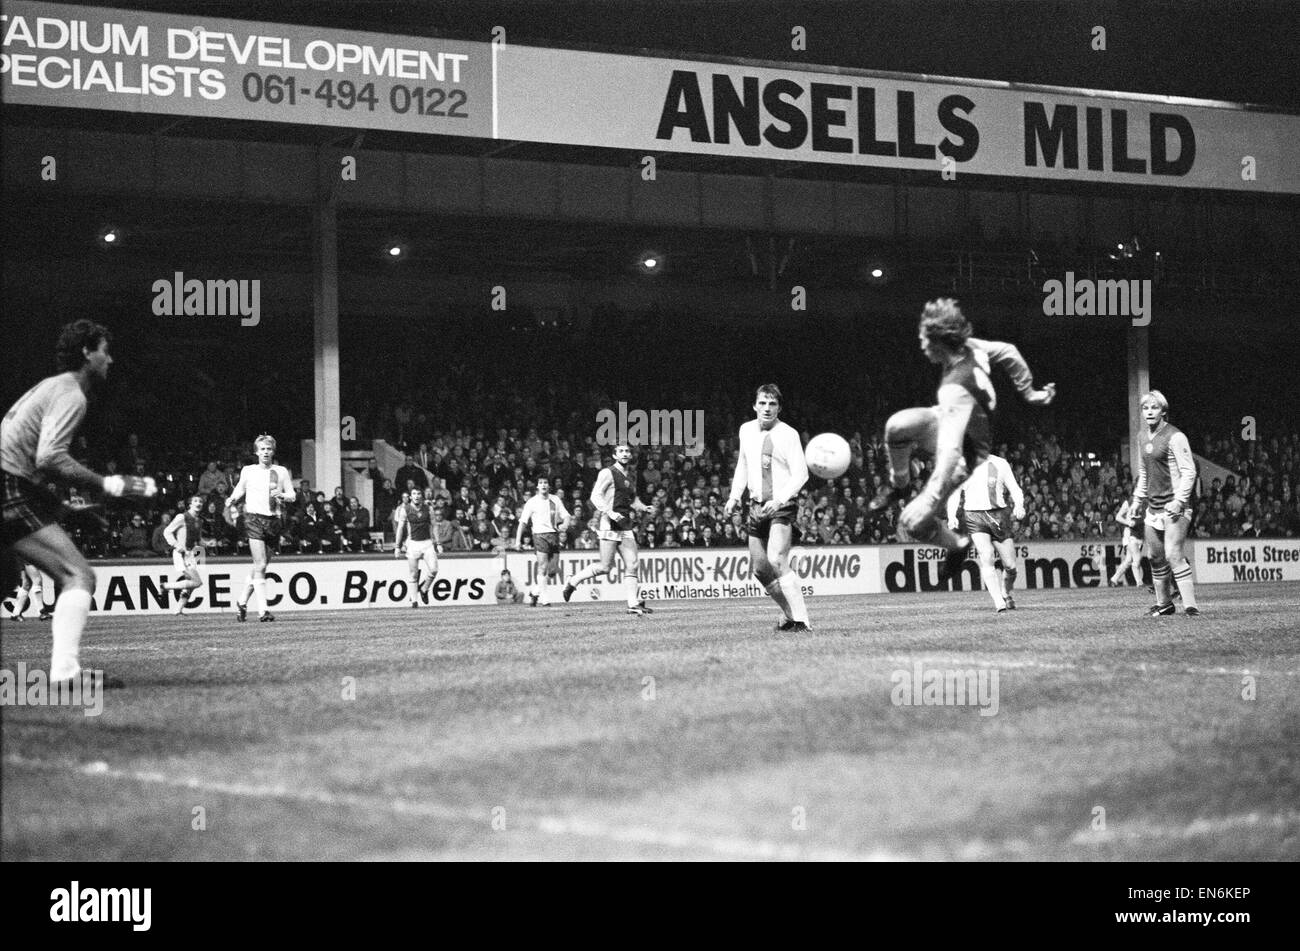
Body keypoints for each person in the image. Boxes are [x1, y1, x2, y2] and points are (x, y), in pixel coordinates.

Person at [1, 320, 156, 686]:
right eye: (105, 350)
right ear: (87, 352)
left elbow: (25, 463)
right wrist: (109, 484)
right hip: (7, 486)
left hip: (11, 485)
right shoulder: (72, 393)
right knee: (79, 575)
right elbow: (49, 458)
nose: (110, 360)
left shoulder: (49, 387)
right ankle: (66, 673)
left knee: (5, 580)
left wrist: (64, 511)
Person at [869, 299, 1055, 579]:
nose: (921, 345)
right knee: (897, 426)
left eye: (923, 339)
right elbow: (1008, 351)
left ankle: (956, 545)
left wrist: (929, 496)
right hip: (955, 420)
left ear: (939, 342)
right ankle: (899, 485)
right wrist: (1029, 392)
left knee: (913, 522)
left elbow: (950, 451)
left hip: (968, 450)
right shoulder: (971, 348)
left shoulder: (954, 388)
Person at [724, 384, 812, 632]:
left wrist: (781, 498)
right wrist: (733, 497)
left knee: (777, 559)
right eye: (762, 403)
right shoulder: (746, 430)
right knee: (761, 570)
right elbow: (743, 464)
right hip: (755, 505)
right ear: (754, 405)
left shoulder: (788, 434)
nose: (767, 408)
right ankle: (789, 615)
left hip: (781, 506)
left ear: (779, 408)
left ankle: (803, 621)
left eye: (772, 404)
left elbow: (801, 474)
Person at [563, 443, 657, 615]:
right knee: (605, 567)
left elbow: (633, 499)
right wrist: (610, 513)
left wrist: (644, 508)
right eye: (621, 451)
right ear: (614, 455)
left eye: (627, 451)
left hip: (625, 524)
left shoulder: (631, 475)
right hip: (609, 524)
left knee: (633, 564)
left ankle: (633, 604)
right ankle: (573, 581)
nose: (625, 453)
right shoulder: (607, 472)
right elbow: (595, 496)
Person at [1130, 391, 1200, 616]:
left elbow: (1189, 472)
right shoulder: (1142, 437)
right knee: (1154, 557)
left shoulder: (1175, 436)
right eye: (1145, 408)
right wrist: (1136, 500)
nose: (1149, 411)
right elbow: (1143, 471)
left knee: (1173, 554)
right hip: (1153, 507)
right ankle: (1165, 604)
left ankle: (1191, 606)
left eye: (1154, 407)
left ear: (1163, 411)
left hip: (1174, 505)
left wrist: (1180, 500)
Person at [224, 434, 295, 622]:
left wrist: (283, 495)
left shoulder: (281, 471)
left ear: (273, 451)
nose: (266, 452)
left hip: (274, 520)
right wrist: (232, 498)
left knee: (259, 566)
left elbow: (292, 495)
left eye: (269, 449)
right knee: (261, 564)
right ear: (256, 452)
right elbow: (240, 488)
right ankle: (263, 611)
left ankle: (241, 601)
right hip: (253, 519)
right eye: (262, 449)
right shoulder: (249, 470)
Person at [947, 453, 1025, 612]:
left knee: (1011, 567)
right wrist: (951, 516)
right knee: (986, 554)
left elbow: (1015, 488)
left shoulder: (1000, 463)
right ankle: (999, 603)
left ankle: (1005, 592)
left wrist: (1019, 505)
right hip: (974, 515)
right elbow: (954, 493)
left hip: (999, 515)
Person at [515, 477, 571, 606]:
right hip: (539, 535)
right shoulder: (532, 502)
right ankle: (545, 599)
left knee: (553, 570)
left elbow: (566, 515)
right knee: (543, 567)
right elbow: (523, 522)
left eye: (545, 482)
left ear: (549, 486)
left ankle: (535, 591)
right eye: (540, 483)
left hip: (554, 535)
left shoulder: (555, 499)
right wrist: (518, 541)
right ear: (537, 487)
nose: (543, 485)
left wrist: (565, 524)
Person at [393, 488, 438, 607]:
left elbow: (434, 525)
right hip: (413, 544)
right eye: (414, 494)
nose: (416, 496)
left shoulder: (428, 509)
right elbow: (400, 528)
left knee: (434, 570)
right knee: (413, 574)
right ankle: (414, 601)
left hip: (427, 543)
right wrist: (397, 546)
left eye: (418, 493)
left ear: (422, 495)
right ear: (410, 496)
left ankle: (424, 589)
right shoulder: (405, 510)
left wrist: (438, 543)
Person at [163, 495, 206, 614]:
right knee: (197, 582)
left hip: (193, 553)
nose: (199, 503)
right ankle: (166, 586)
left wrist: (208, 543)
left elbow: (199, 540)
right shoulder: (182, 517)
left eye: (201, 501)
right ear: (190, 504)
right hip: (182, 553)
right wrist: (176, 545)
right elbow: (167, 531)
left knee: (191, 584)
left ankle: (178, 610)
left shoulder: (199, 520)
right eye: (196, 501)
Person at [1109, 496, 1145, 587]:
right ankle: (1139, 582)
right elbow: (1118, 517)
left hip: (1139, 533)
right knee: (1137, 557)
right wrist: (1128, 523)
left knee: (1129, 560)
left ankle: (1114, 579)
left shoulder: (1146, 502)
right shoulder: (1128, 502)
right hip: (1130, 532)